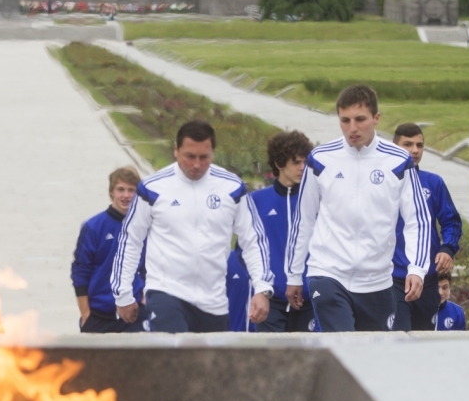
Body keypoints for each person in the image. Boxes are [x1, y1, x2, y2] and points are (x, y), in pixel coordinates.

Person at [285, 85, 432, 332]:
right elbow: (304, 219)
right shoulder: (320, 159)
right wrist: (294, 274)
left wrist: (417, 268)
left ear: (376, 119)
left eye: (360, 119)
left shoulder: (398, 161)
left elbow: (418, 219)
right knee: (344, 344)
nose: (352, 128)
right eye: (345, 120)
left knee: (370, 358)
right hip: (327, 272)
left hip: (377, 281)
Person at [111, 120, 274, 332]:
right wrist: (123, 293)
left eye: (203, 157)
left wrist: (262, 288)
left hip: (214, 300)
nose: (196, 164)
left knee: (207, 365)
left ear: (212, 153)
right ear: (176, 150)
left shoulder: (232, 188)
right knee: (177, 355)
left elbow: (253, 240)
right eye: (190, 156)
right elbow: (130, 240)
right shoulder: (152, 188)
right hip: (165, 291)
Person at [391, 123, 463, 330]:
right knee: (400, 339)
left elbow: (452, 221)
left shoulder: (433, 183)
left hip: (428, 278)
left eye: (419, 145)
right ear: (394, 147)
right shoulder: (383, 183)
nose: (414, 150)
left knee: (423, 343)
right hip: (394, 278)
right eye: (408, 144)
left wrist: (447, 249)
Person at [250, 130, 317, 332]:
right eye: (296, 162)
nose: (302, 168)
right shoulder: (256, 201)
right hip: (271, 301)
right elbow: (245, 249)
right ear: (279, 164)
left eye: (305, 162)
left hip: (309, 302)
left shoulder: (317, 201)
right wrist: (263, 285)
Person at [71, 166, 146, 333]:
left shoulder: (145, 227)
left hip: (134, 317)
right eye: (121, 189)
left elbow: (151, 267)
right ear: (111, 191)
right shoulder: (93, 227)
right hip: (99, 316)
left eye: (131, 190)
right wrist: (85, 314)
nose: (126, 195)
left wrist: (144, 300)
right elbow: (80, 272)